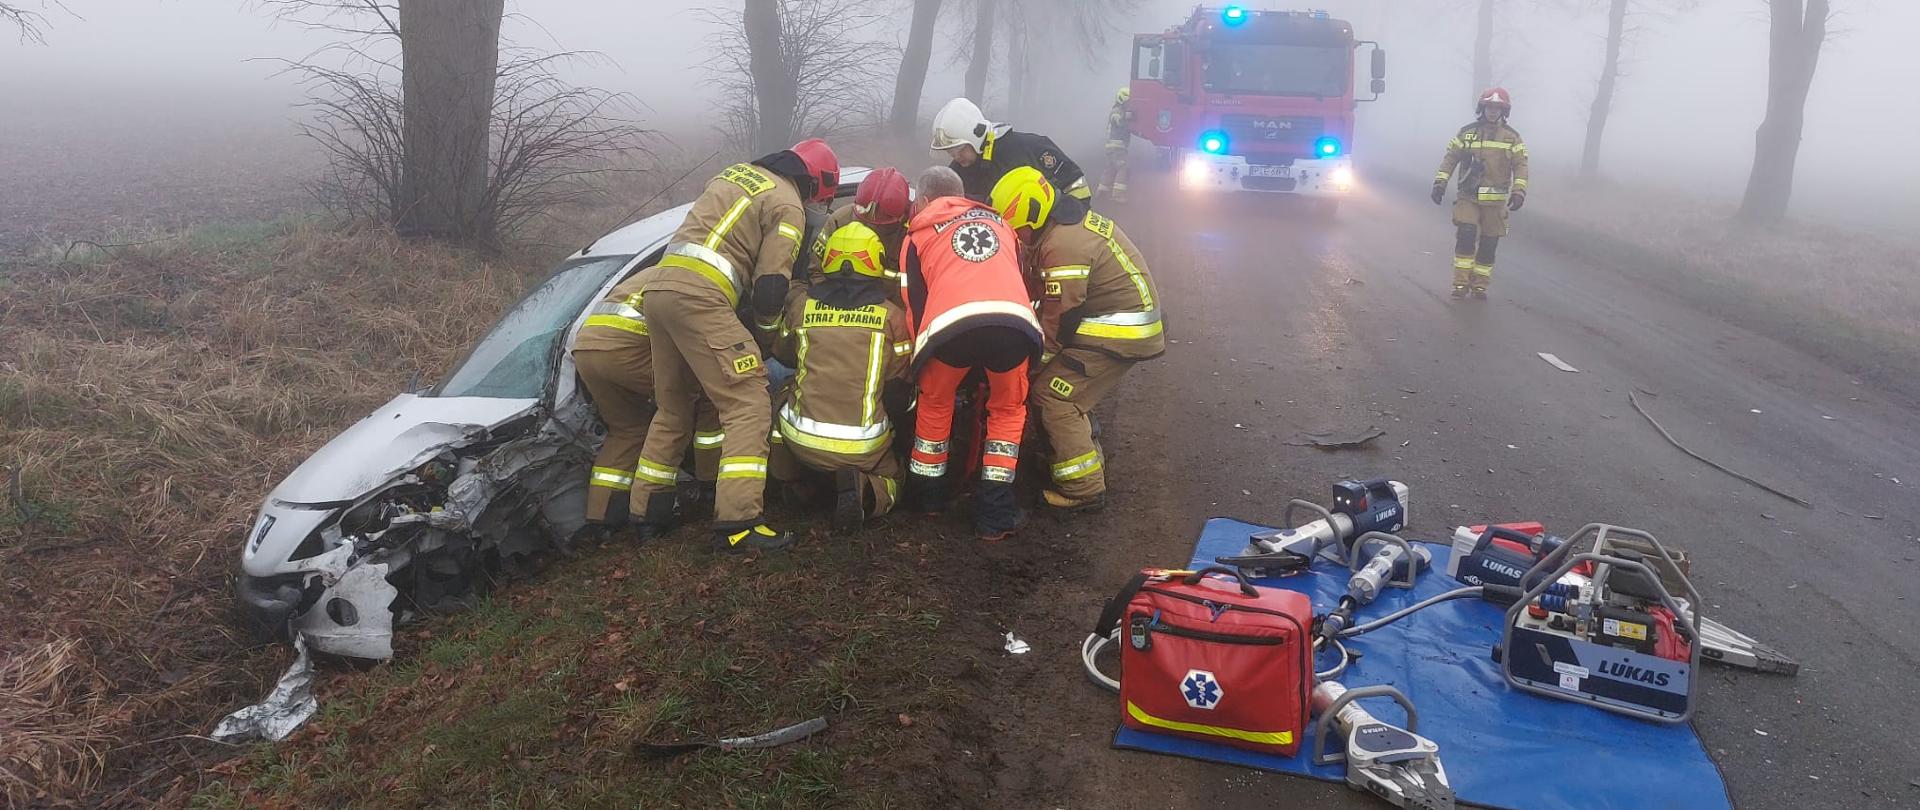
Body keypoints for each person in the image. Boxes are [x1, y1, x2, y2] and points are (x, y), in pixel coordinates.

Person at [628, 138, 840, 553]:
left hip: (659, 291)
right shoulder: (788, 204)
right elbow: (771, 286)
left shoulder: (734, 174)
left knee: (674, 407)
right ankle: (739, 523)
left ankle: (647, 514)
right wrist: (765, 339)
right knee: (748, 401)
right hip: (701, 299)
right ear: (816, 182)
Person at [991, 167, 1164, 512]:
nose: (1020, 237)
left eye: (1020, 229)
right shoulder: (1064, 228)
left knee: (1053, 397)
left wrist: (1033, 364)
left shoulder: (1063, 245)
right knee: (1067, 393)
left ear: (1035, 214)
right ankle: (1076, 462)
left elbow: (1061, 319)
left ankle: (1083, 488)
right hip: (1112, 323)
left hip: (1116, 332)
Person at [900, 165, 1043, 541]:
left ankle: (927, 500)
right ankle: (995, 517)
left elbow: (915, 303)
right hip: (1013, 327)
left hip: (950, 332)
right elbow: (1018, 284)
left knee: (935, 405)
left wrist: (921, 361)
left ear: (927, 200)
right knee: (1008, 413)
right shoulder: (1002, 225)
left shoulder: (917, 235)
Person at [769, 222, 915, 533]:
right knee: (895, 477)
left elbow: (782, 354)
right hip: (863, 448)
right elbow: (899, 386)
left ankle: (792, 480)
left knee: (781, 394)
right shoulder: (894, 319)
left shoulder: (800, 308)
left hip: (800, 441)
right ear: (875, 263)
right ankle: (864, 492)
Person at [570, 267, 725, 534]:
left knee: (627, 429)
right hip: (626, 347)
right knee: (690, 404)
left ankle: (601, 519)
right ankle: (688, 495)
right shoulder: (699, 278)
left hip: (586, 348)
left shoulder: (661, 269)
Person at [1432, 87, 1530, 299]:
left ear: (1504, 111)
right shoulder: (1467, 133)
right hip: (1468, 197)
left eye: (1497, 108)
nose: (1493, 111)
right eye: (1489, 107)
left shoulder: (1512, 138)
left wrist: (1519, 191)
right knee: (1466, 235)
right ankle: (1460, 283)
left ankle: (1480, 285)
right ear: (1482, 108)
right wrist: (1440, 183)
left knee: (1488, 245)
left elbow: (1521, 165)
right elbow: (1451, 158)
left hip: (1495, 204)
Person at [930, 97, 1091, 203]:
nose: (957, 157)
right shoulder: (956, 174)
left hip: (1047, 239)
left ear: (975, 135)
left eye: (960, 149)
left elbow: (1077, 187)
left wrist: (1068, 223)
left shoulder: (1030, 148)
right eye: (951, 152)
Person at [810, 167, 912, 292]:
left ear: (900, 218)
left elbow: (913, 288)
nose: (871, 229)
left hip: (886, 303)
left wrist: (882, 308)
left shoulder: (910, 236)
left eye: (880, 227)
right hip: (836, 297)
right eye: (864, 222)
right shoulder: (840, 220)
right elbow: (815, 271)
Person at [1098, 87, 1135, 203]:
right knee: (1123, 168)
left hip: (1112, 147)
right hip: (1117, 147)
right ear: (1122, 100)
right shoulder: (1117, 111)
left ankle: (1102, 191)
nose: (1129, 104)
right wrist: (1128, 118)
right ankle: (1118, 195)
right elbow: (1118, 121)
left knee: (1110, 169)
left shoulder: (1117, 110)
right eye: (1128, 102)